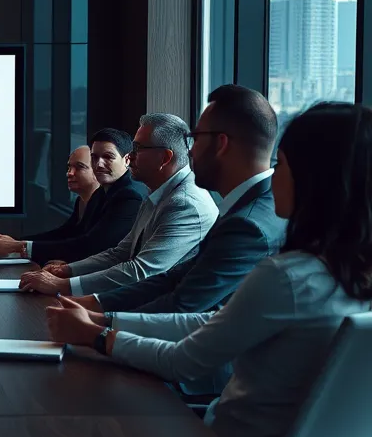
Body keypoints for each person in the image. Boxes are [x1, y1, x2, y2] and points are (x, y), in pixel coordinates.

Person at [46, 102, 372, 437]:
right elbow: (215, 320)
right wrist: (105, 319)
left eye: (281, 164)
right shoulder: (342, 274)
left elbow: (183, 359)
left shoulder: (285, 275)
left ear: (314, 180)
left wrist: (97, 336)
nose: (273, 175)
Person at [69, 86, 285, 315]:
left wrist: (102, 323)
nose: (189, 151)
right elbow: (174, 279)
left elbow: (183, 304)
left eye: (195, 138)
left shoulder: (245, 223)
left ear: (221, 144)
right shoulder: (247, 207)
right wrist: (95, 303)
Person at [19, 112, 218, 297]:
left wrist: (63, 285)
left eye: (137, 148)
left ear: (165, 158)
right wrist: (67, 270)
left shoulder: (185, 204)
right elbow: (120, 253)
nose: (130, 156)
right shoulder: (158, 192)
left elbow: (140, 271)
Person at [0, 130, 146, 264]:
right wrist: (16, 242)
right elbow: (69, 232)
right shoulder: (103, 191)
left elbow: (93, 245)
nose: (99, 164)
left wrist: (18, 246)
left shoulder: (129, 196)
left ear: (127, 160)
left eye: (108, 157)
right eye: (94, 157)